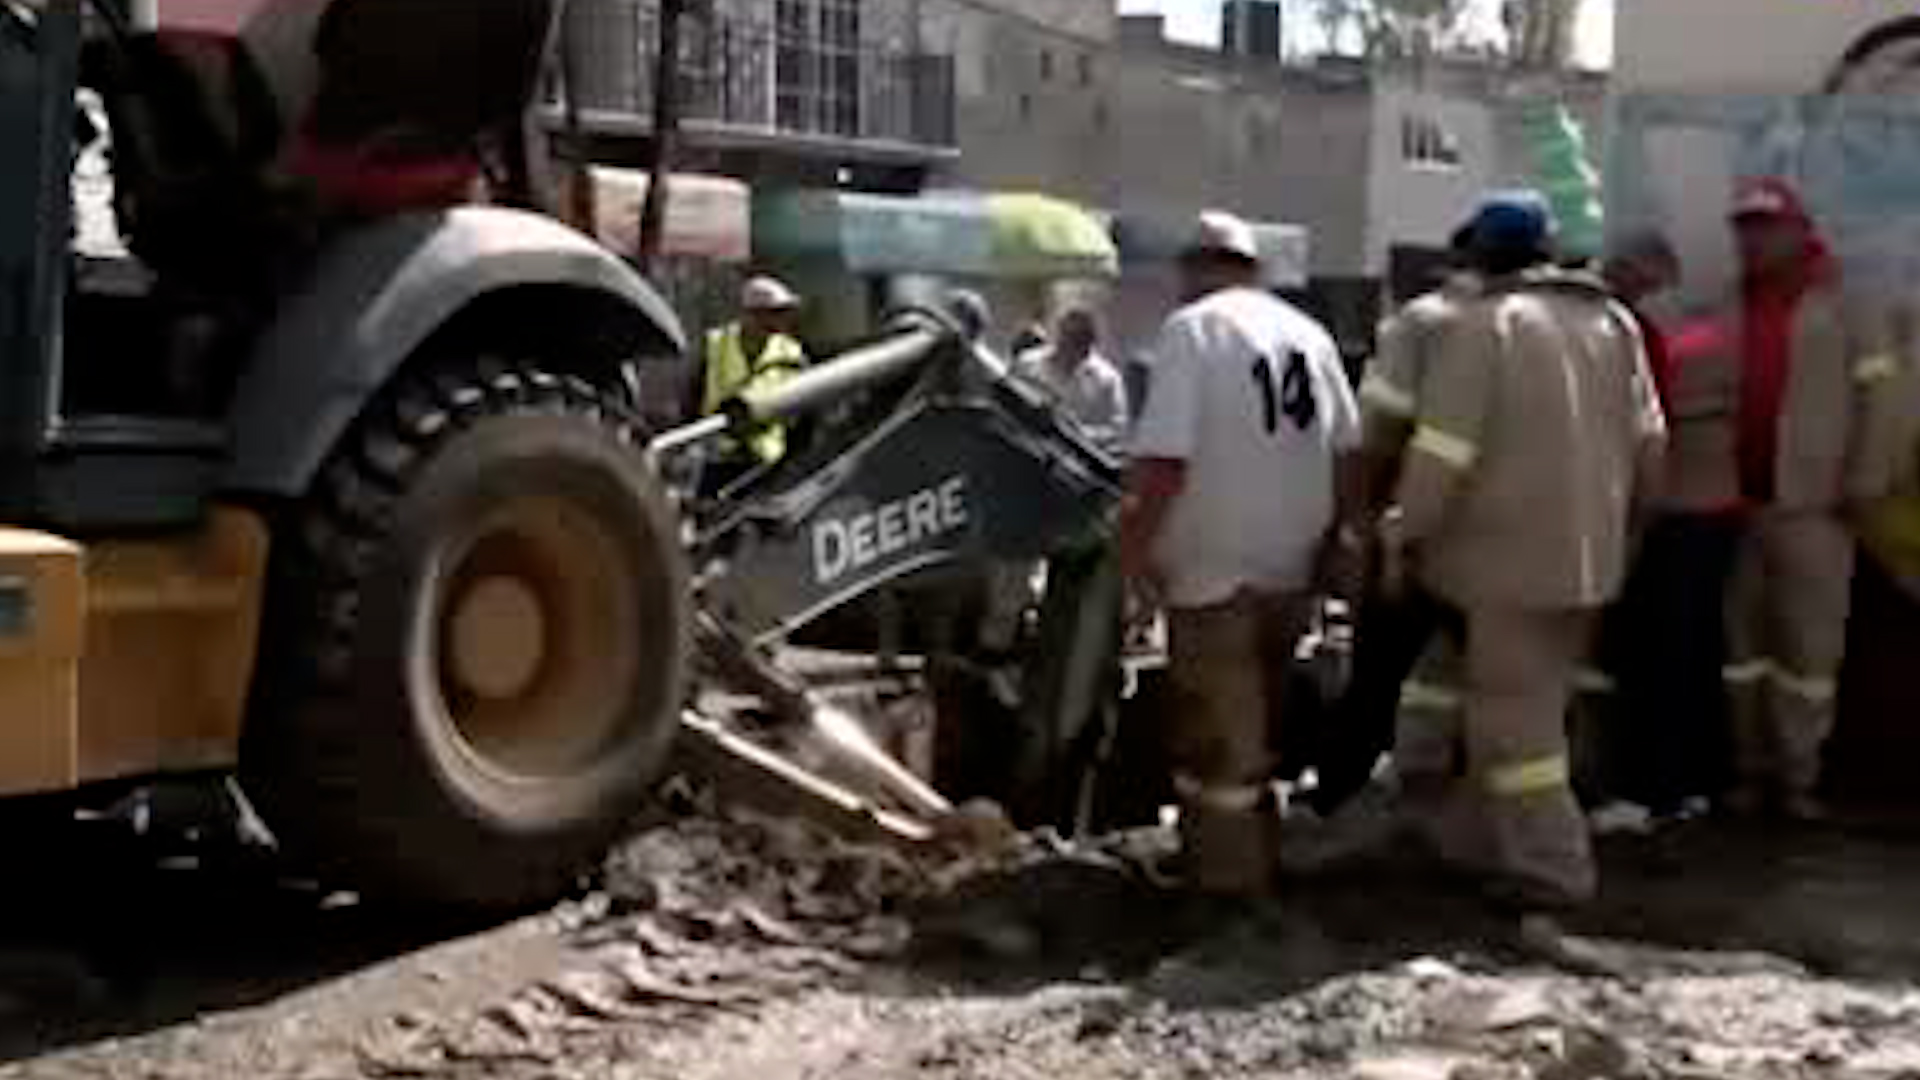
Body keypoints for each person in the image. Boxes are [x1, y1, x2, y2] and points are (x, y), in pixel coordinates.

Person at [1385, 190, 1666, 932]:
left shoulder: (1486, 329)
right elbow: (1650, 446)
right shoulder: (1614, 323)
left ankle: (1554, 870)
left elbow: (1442, 455)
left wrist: (1401, 530)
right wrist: (1629, 535)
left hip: (1503, 565)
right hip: (1589, 561)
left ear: (1479, 254)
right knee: (1528, 709)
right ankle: (1482, 844)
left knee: (1517, 730)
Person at [1120, 210, 1363, 899]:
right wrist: (1333, 545)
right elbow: (1350, 455)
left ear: (1193, 270)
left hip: (1211, 571)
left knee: (1218, 741)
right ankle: (1246, 858)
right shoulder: (1309, 336)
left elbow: (1164, 462)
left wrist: (1133, 555)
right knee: (1257, 730)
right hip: (1290, 566)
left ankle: (1229, 886)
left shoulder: (1193, 332)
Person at [1717, 177, 1904, 822]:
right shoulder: (1728, 305)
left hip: (1817, 510)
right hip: (1737, 510)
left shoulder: (1850, 305)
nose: (1752, 240)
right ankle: (1748, 770)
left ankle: (1798, 780)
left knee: (1808, 653)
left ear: (1799, 232)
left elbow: (1884, 403)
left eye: (1766, 228)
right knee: (1741, 652)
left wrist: (1865, 482)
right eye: (1743, 229)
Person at [1307, 220, 1480, 820]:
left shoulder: (1421, 324)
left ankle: (1333, 802)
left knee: (1375, 682)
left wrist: (1358, 526)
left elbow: (1374, 437)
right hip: (1496, 539)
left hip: (1415, 530)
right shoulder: (1536, 323)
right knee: (1495, 686)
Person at [1584, 232, 1743, 833]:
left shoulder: (1646, 330)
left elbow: (1643, 427)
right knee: (1693, 651)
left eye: (1625, 267)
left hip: (1673, 512)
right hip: (1710, 510)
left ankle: (1653, 789)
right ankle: (1696, 783)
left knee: (1655, 654)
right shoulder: (1708, 323)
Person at [700, 275, 809, 483]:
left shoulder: (791, 351)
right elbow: (692, 395)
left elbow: (804, 415)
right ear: (750, 314)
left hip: (766, 461)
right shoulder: (715, 344)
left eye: (782, 313)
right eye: (772, 313)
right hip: (720, 456)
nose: (779, 321)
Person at [1013, 306, 1131, 451]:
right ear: (1058, 334)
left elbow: (1118, 430)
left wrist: (1083, 433)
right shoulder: (1028, 364)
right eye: (1067, 336)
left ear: (1090, 343)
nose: (1069, 345)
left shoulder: (1107, 380)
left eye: (1079, 339)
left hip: (1076, 458)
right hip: (1025, 447)